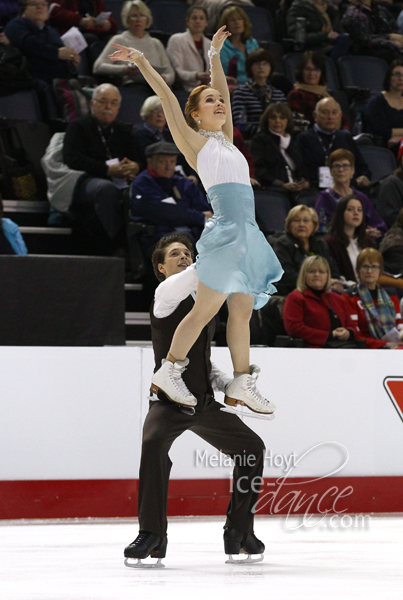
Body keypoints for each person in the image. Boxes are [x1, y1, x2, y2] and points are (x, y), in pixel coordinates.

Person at [108, 26, 283, 413]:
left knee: (240, 312)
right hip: (225, 233)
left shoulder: (228, 141)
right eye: (210, 100)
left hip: (248, 235)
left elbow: (223, 88)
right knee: (205, 310)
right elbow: (167, 97)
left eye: (221, 100)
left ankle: (240, 384)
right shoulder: (195, 142)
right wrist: (141, 62)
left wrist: (214, 57)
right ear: (195, 113)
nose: (219, 103)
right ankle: (168, 370)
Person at [123, 232, 266, 565]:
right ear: (160, 267)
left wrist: (225, 381)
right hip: (168, 403)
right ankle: (152, 534)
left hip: (202, 402)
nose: (184, 257)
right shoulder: (165, 295)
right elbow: (202, 272)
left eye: (187, 252)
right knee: (154, 444)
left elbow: (203, 356)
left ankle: (240, 531)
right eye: (175, 254)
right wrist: (226, 239)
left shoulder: (201, 304)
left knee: (251, 448)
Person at [63, 83, 140, 254]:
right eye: (103, 102)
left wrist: (135, 166)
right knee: (105, 189)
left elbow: (138, 159)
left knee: (142, 189)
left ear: (118, 107)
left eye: (113, 103)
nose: (108, 107)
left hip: (121, 179)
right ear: (92, 103)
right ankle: (118, 242)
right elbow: (72, 159)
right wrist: (106, 170)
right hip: (86, 179)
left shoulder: (123, 131)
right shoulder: (78, 127)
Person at [130, 141, 211, 251]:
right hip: (158, 239)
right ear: (150, 161)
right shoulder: (142, 184)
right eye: (162, 162)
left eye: (172, 161)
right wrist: (199, 217)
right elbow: (165, 213)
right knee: (182, 239)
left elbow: (207, 213)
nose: (168, 167)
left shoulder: (184, 183)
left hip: (192, 235)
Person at [93, 0, 175, 86]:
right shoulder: (119, 40)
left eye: (142, 16)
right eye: (134, 16)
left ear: (147, 20)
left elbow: (170, 73)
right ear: (127, 20)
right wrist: (124, 69)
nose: (138, 20)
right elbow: (98, 66)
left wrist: (164, 78)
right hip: (133, 86)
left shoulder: (156, 43)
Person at [283, 255, 357, 348]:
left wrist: (348, 333)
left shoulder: (338, 299)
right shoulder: (295, 298)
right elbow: (294, 329)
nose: (317, 275)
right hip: (312, 351)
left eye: (321, 272)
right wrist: (330, 335)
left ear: (327, 276)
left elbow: (352, 326)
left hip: (342, 348)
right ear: (303, 275)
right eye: (312, 271)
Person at [297, 97, 372, 189]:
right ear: (315, 115)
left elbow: (361, 166)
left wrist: (363, 176)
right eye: (325, 112)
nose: (330, 117)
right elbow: (305, 172)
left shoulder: (345, 136)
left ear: (340, 116)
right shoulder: (305, 138)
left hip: (348, 188)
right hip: (317, 189)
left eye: (334, 112)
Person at [5, 0, 80, 85]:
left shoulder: (50, 31)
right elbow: (30, 44)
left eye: (43, 4)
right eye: (34, 4)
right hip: (33, 81)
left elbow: (63, 54)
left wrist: (71, 62)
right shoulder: (16, 25)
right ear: (24, 9)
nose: (39, 7)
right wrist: (56, 53)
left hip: (61, 83)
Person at [272, 204, 342, 296]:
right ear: (289, 224)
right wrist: (316, 281)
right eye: (296, 220)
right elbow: (286, 275)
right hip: (293, 293)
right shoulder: (282, 244)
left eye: (306, 220)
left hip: (321, 292)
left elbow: (332, 270)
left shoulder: (320, 244)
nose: (301, 224)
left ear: (314, 225)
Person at [315, 148, 386, 236]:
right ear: (330, 171)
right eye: (336, 166)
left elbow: (378, 225)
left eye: (345, 166)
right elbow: (322, 228)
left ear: (352, 171)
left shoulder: (361, 197)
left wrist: (376, 232)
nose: (341, 170)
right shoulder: (324, 197)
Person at [344, 248, 403, 348]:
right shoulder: (350, 296)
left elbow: (399, 326)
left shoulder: (391, 294)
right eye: (365, 266)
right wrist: (384, 344)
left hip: (394, 346)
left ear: (381, 270)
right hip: (366, 349)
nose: (369, 271)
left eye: (374, 267)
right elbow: (356, 335)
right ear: (358, 270)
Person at [251, 102, 309, 199]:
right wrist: (281, 185)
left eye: (282, 118)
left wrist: (304, 182)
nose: (278, 121)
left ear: (288, 120)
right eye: (273, 118)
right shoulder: (260, 141)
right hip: (272, 191)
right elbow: (260, 170)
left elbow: (303, 167)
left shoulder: (294, 142)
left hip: (297, 192)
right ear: (267, 120)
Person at [231, 48, 286, 140]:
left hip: (277, 139)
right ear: (250, 68)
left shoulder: (278, 94)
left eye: (265, 64)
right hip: (251, 140)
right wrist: (264, 132)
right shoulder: (241, 93)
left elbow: (285, 119)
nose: (261, 67)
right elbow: (240, 124)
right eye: (257, 64)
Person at [287, 50, 350, 129]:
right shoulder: (296, 94)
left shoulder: (326, 95)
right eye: (308, 69)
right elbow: (299, 126)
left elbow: (344, 122)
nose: (312, 74)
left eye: (316, 69)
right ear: (301, 71)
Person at [325, 194, 373, 284]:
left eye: (359, 210)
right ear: (341, 213)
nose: (356, 213)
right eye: (350, 209)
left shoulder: (368, 242)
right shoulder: (330, 242)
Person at [166, 5, 211, 93]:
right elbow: (177, 71)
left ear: (207, 22)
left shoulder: (210, 44)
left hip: (207, 89)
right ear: (187, 21)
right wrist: (196, 76)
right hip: (186, 89)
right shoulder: (177, 40)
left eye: (201, 18)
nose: (198, 21)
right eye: (194, 18)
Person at [364, 59, 403, 152]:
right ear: (389, 77)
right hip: (383, 147)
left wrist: (401, 139)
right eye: (397, 74)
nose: (401, 78)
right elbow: (383, 132)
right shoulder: (376, 102)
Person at [217, 6, 258, 86]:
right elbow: (225, 73)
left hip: (255, 84)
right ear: (226, 25)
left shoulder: (252, 42)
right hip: (233, 87)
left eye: (239, 19)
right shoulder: (221, 46)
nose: (237, 22)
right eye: (232, 20)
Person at [48, 0, 117, 40]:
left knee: (115, 39)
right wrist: (80, 20)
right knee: (90, 38)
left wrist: (109, 24)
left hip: (96, 31)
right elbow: (54, 12)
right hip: (72, 33)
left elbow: (108, 17)